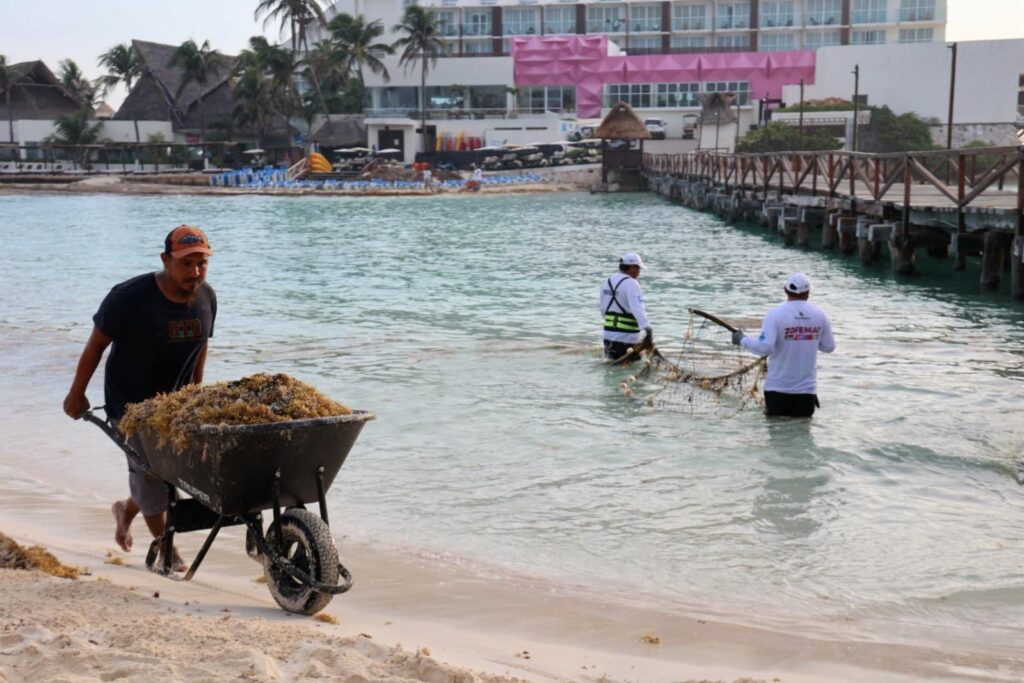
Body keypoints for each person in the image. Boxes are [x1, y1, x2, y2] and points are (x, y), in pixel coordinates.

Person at [63, 225, 217, 569]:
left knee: (169, 472)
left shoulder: (207, 297)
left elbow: (201, 346)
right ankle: (166, 547)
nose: (195, 272)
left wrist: (196, 394)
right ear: (166, 260)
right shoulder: (128, 297)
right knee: (150, 473)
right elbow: (96, 346)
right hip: (130, 405)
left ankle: (126, 507)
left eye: (201, 264)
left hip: (175, 404)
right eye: (186, 264)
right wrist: (76, 394)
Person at [731, 272, 834, 418]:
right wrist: (807, 336)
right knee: (802, 436)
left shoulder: (775, 314)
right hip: (806, 392)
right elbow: (829, 347)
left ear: (785, 290)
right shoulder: (820, 314)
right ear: (808, 292)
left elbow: (765, 347)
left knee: (777, 436)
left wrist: (742, 339)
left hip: (777, 390)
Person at [600, 252, 653, 361]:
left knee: (612, 365)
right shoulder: (631, 283)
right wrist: (648, 329)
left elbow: (603, 309)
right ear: (632, 267)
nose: (639, 272)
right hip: (627, 338)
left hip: (608, 335)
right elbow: (638, 309)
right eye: (638, 268)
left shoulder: (607, 281)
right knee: (629, 367)